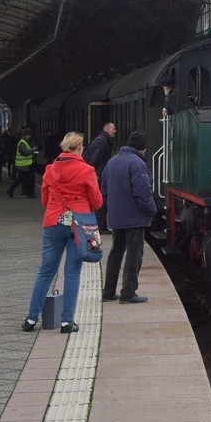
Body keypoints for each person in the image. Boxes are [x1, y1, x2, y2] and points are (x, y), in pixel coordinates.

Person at [21, 130, 102, 335]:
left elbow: (44, 200)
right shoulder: (87, 170)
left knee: (46, 272)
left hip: (53, 222)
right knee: (72, 273)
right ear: (80, 147)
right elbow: (97, 202)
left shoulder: (50, 169)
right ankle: (66, 322)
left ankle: (31, 319)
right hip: (79, 226)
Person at [100, 130, 158, 305]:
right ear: (143, 148)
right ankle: (128, 292)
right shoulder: (137, 164)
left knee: (115, 252)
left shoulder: (112, 162)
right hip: (134, 218)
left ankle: (108, 292)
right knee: (134, 254)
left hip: (116, 217)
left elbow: (104, 190)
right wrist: (152, 210)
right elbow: (143, 194)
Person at [83, 121, 116, 234]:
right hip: (100, 175)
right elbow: (95, 159)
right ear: (108, 130)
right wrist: (95, 172)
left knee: (100, 200)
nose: (115, 131)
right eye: (113, 129)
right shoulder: (103, 141)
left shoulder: (100, 139)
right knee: (101, 201)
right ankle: (101, 227)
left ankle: (101, 225)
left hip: (98, 173)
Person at [8, 127, 37, 198]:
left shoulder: (25, 142)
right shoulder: (22, 142)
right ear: (25, 135)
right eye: (28, 135)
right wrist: (32, 150)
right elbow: (25, 152)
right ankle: (11, 190)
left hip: (27, 164)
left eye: (30, 135)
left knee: (26, 179)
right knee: (24, 179)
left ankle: (29, 193)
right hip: (24, 164)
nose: (29, 137)